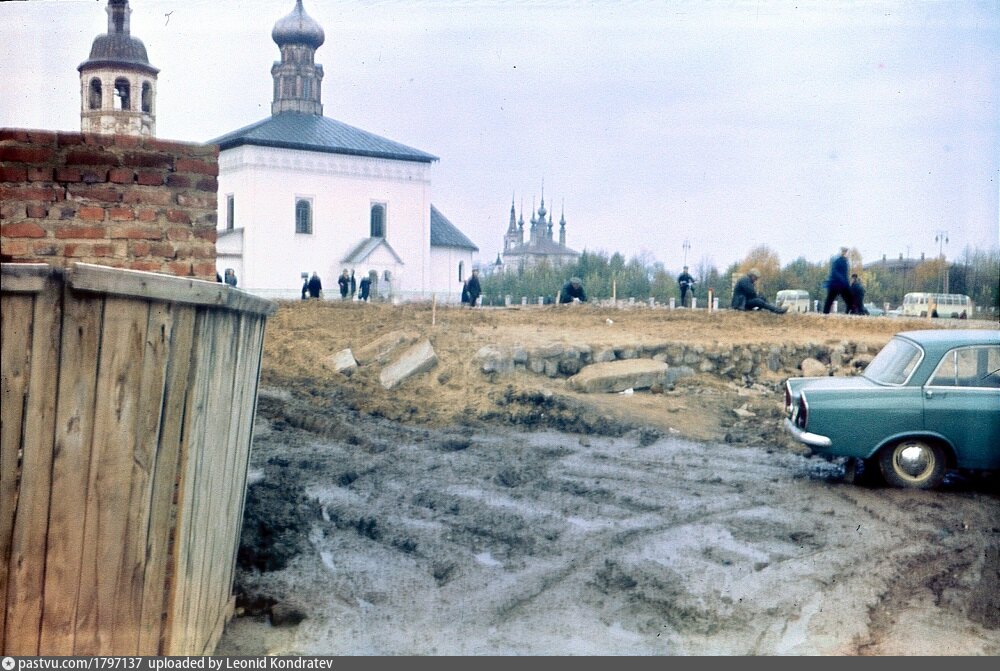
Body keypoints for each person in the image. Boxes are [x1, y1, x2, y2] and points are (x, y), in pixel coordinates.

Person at [822, 247, 854, 314]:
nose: (845, 254)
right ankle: (825, 313)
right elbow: (834, 272)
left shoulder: (845, 262)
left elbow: (845, 274)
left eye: (846, 252)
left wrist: (847, 283)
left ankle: (850, 312)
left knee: (849, 300)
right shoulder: (837, 261)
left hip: (843, 284)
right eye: (844, 252)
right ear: (842, 253)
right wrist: (842, 279)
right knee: (830, 299)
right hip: (835, 284)